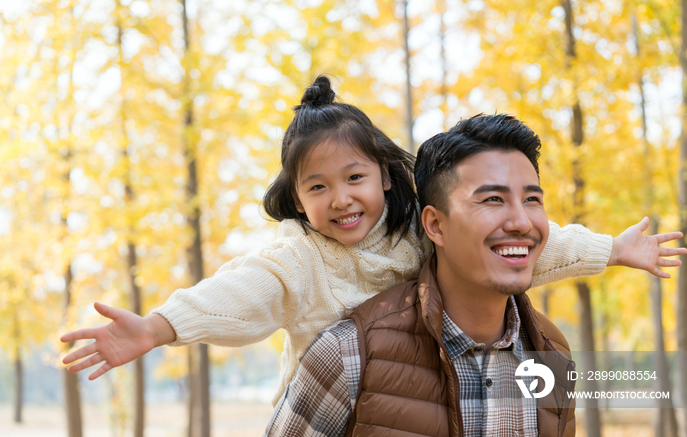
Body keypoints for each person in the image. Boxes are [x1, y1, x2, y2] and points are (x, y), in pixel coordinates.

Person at [60, 77, 683, 406]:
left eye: (354, 177)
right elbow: (239, 293)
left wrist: (609, 250)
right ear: (298, 200)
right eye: (318, 188)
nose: (341, 199)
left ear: (385, 175)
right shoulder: (299, 260)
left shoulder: (420, 236)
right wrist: (159, 326)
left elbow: (515, 248)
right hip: (326, 418)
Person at [254, 114, 686, 437]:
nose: (521, 221)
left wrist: (612, 248)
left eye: (532, 199)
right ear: (435, 225)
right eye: (493, 200)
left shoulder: (552, 354)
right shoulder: (348, 353)